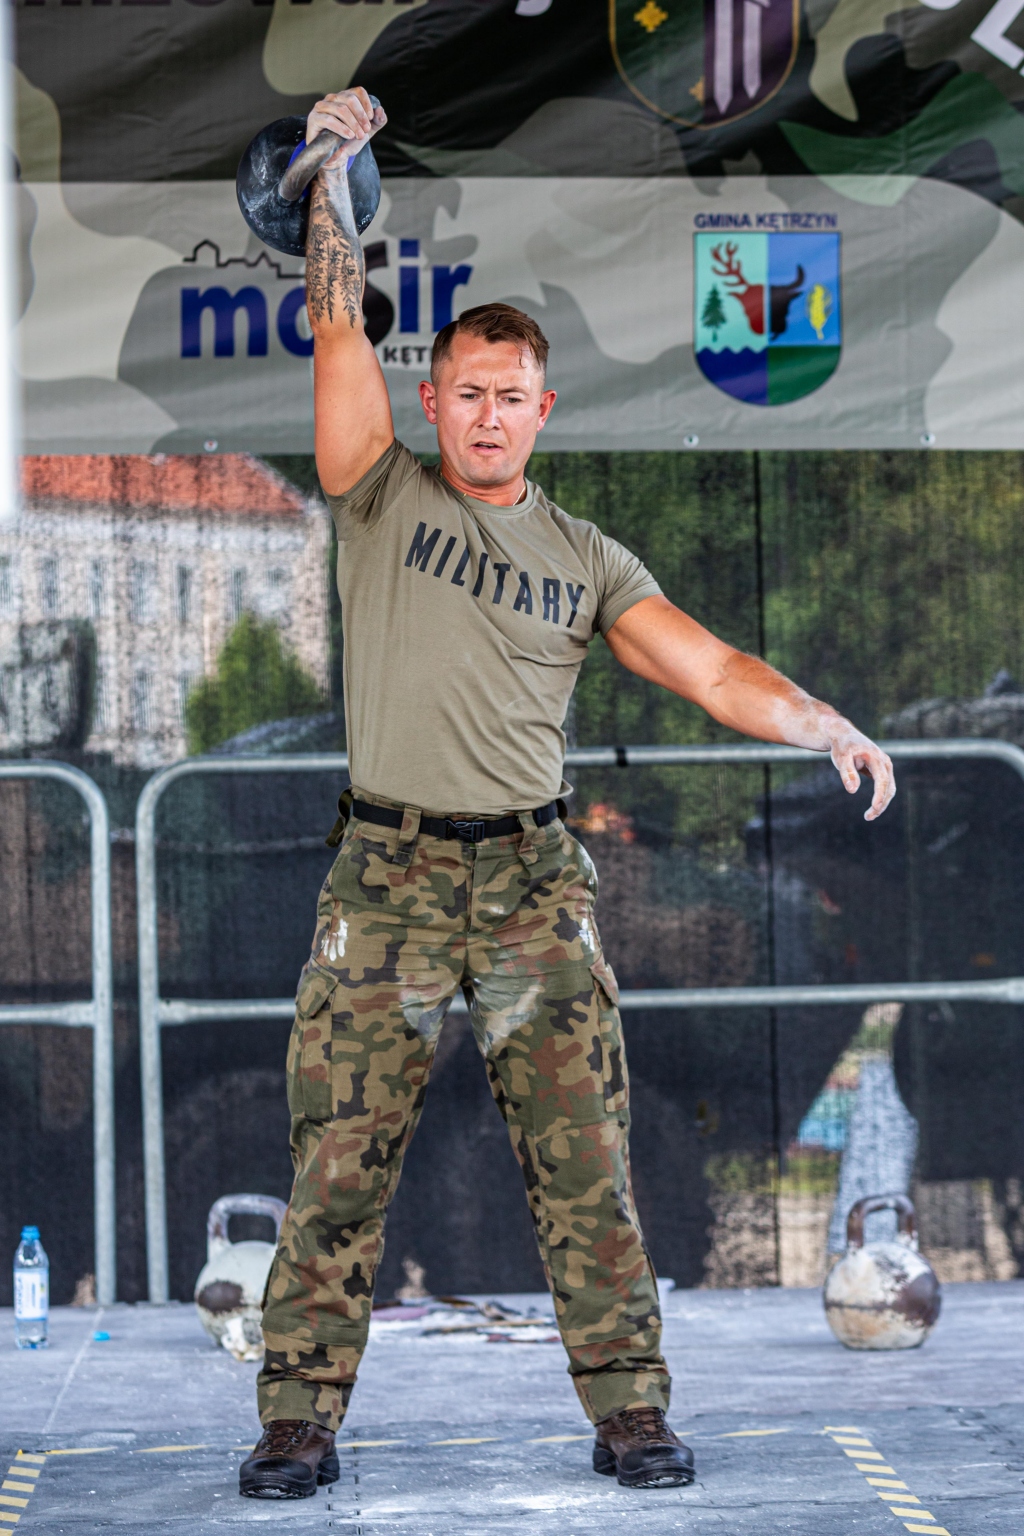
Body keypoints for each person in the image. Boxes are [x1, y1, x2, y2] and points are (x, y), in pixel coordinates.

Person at [239, 87, 896, 1501]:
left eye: (510, 396)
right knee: (340, 1162)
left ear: (544, 410)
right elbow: (339, 325)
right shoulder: (378, 492)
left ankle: (632, 1412)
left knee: (586, 1162)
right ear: (436, 402)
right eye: (466, 392)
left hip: (535, 888)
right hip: (388, 883)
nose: (487, 415)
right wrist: (332, 177)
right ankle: (297, 1419)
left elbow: (710, 669)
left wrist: (823, 720)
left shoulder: (590, 558)